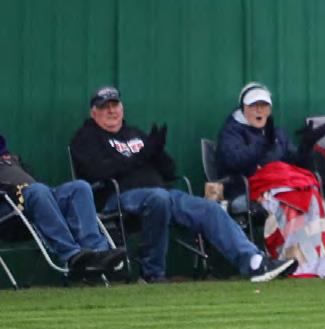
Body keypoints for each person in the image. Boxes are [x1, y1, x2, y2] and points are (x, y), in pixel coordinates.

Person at [69, 86, 294, 283]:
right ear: (94, 112)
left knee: (209, 208)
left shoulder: (135, 133)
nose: (111, 111)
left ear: (122, 108)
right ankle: (152, 274)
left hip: (163, 193)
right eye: (104, 107)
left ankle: (254, 262)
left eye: (115, 105)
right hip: (119, 198)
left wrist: (158, 152)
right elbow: (97, 173)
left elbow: (169, 173)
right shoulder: (86, 137)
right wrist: (142, 154)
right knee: (158, 198)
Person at [215, 83, 325, 278]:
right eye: (254, 106)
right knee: (288, 202)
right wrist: (262, 145)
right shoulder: (231, 132)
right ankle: (290, 262)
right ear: (243, 108)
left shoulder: (276, 133)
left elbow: (297, 163)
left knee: (312, 198)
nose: (259, 110)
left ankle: (322, 264)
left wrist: (307, 146)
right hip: (246, 189)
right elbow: (234, 161)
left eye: (264, 106)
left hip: (280, 183)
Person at [0, 134, 127, 279]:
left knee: (80, 187)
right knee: (38, 190)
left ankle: (98, 251)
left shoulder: (12, 159)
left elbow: (34, 182)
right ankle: (72, 254)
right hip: (10, 214)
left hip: (37, 202)